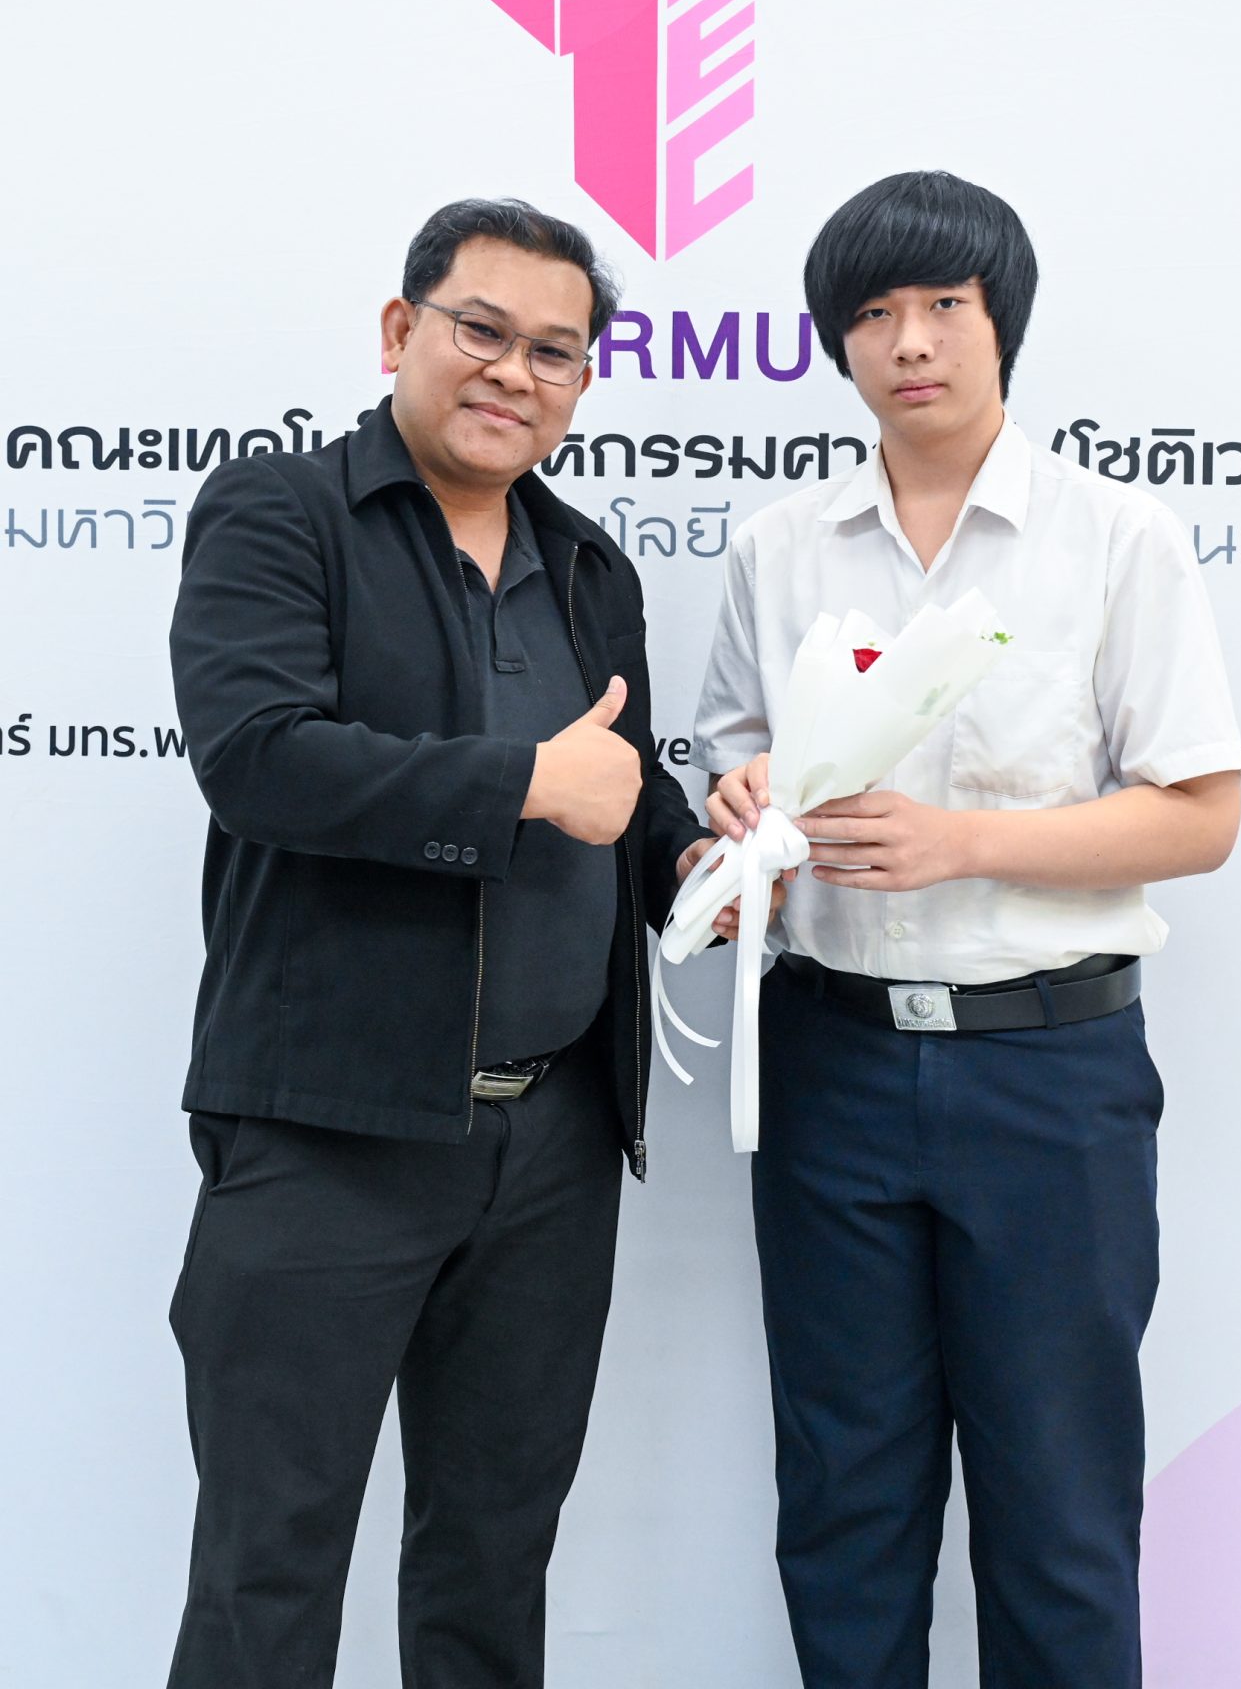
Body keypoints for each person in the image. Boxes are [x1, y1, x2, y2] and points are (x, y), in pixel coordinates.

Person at [692, 171, 1241, 1689]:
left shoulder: (1114, 538)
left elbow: (1199, 816)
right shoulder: (777, 549)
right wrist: (740, 820)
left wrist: (965, 844)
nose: (910, 342)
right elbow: (730, 782)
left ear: (1005, 323)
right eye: (872, 313)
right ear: (836, 342)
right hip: (831, 1067)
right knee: (843, 1499)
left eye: (946, 304)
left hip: (1046, 1076)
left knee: (1057, 1508)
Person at [165, 199, 718, 1689]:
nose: (514, 372)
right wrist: (525, 783)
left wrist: (703, 854)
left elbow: (622, 791)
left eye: (555, 351)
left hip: (552, 1143)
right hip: (328, 1129)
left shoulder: (590, 566)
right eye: (483, 330)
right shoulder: (281, 512)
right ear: (401, 330)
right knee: (267, 1568)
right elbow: (259, 759)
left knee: (492, 1560)